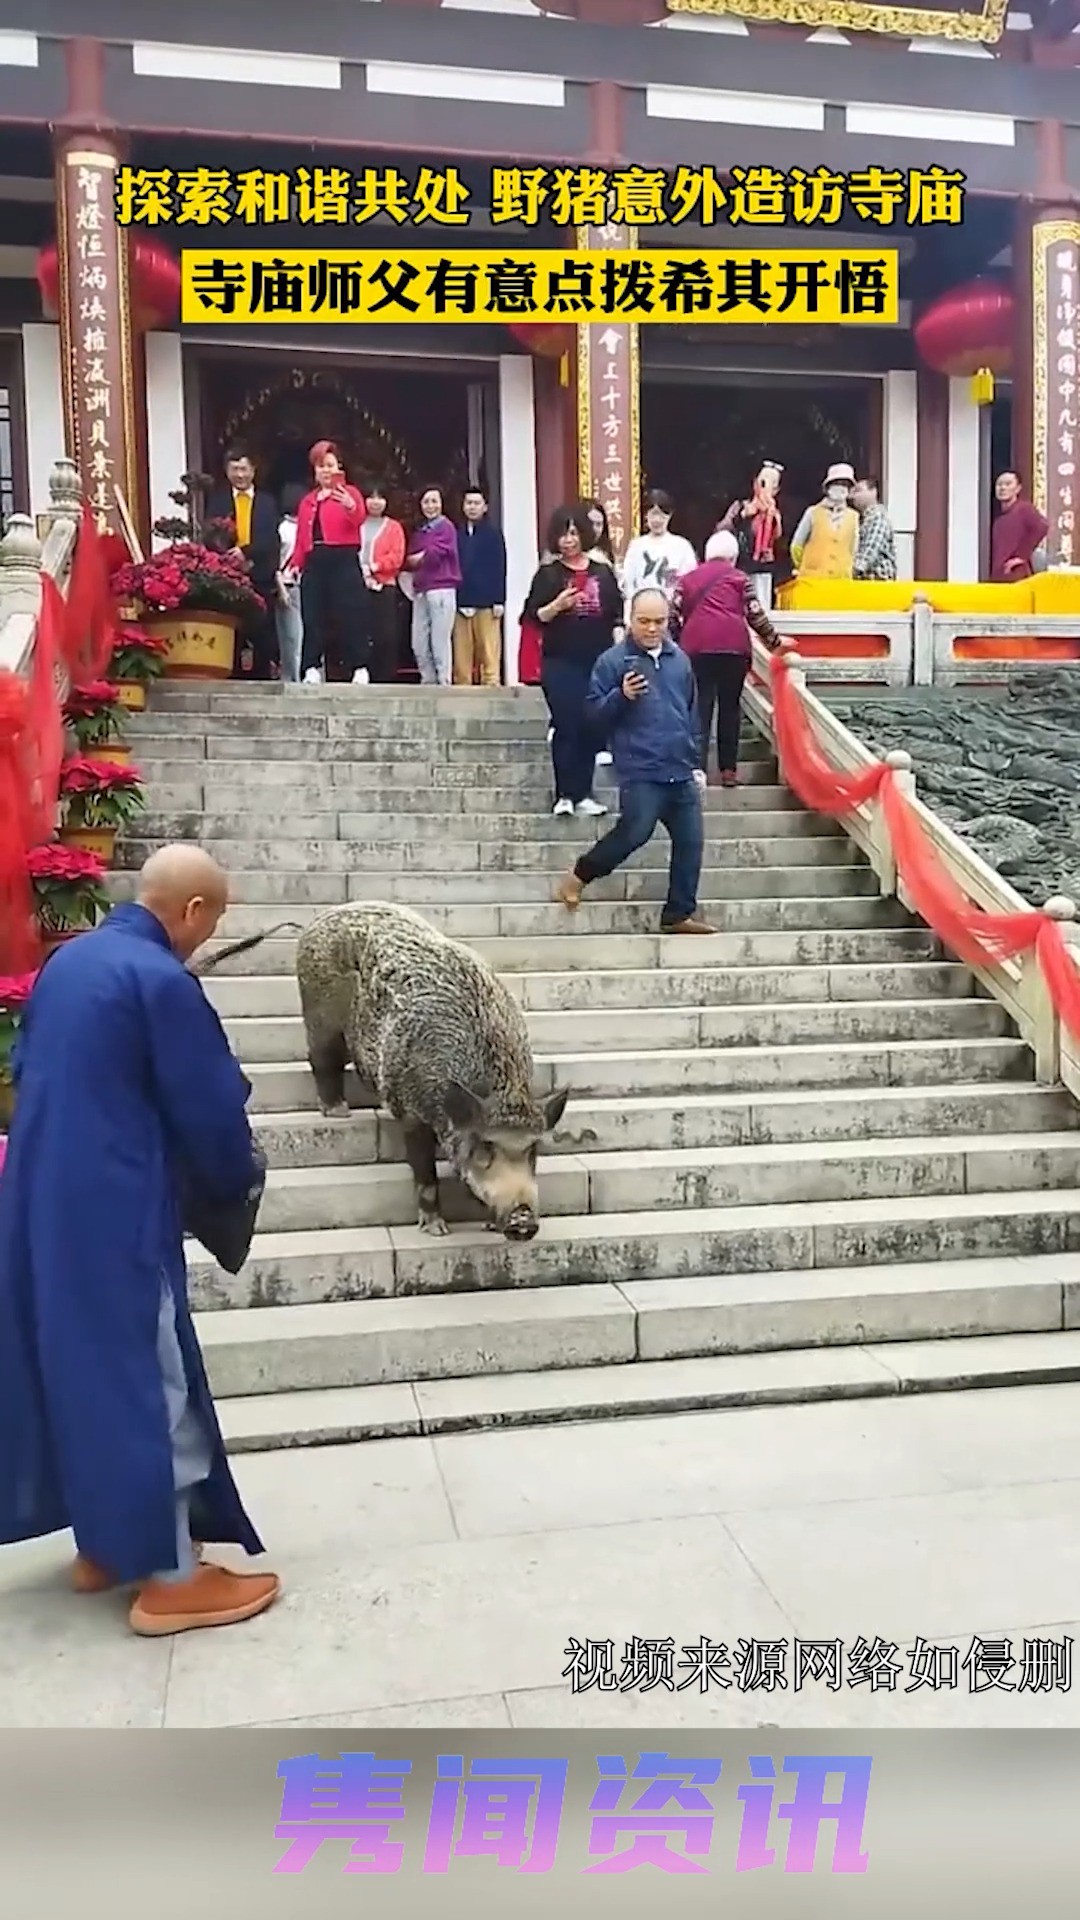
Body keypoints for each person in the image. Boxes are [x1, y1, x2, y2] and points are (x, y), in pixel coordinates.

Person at [0, 846, 281, 1637]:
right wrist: (234, 1184)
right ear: (193, 910)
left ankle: (106, 1548)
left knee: (74, 1368)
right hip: (116, 1209)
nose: (205, 937)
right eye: (212, 922)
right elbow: (211, 1109)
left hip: (38, 1198)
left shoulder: (69, 963)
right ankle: (169, 1577)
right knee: (146, 1379)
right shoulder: (161, 981)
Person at [555, 587, 714, 935]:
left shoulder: (680, 660)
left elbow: (693, 713)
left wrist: (698, 761)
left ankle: (678, 913)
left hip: (680, 768)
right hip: (640, 768)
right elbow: (592, 715)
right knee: (634, 833)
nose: (652, 628)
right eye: (644, 621)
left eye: (659, 621)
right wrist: (621, 697)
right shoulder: (612, 662)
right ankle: (580, 874)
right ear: (630, 620)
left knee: (691, 841)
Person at [524, 504, 622, 818]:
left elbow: (616, 614)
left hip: (598, 660)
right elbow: (532, 616)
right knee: (567, 724)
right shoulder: (549, 574)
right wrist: (557, 605)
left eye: (574, 533)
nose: (568, 540)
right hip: (560, 660)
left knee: (592, 725)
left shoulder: (602, 572)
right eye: (563, 534)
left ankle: (584, 793)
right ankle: (565, 793)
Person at [673, 529, 782, 787]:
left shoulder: (687, 580)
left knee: (700, 708)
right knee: (730, 709)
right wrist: (774, 642)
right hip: (734, 649)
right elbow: (755, 614)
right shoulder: (739, 578)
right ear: (733, 557)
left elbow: (671, 613)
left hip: (697, 648)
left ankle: (697, 767)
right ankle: (728, 770)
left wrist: (679, 640)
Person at [290, 439, 370, 686]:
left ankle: (359, 666)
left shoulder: (350, 493)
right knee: (312, 615)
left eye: (330, 465)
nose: (325, 470)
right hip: (316, 560)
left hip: (344, 558)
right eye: (320, 466)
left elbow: (358, 518)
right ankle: (311, 666)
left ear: (339, 467)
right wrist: (296, 563)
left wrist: (350, 506)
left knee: (350, 615)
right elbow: (302, 537)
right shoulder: (307, 501)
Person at [207, 448, 280, 680]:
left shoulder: (267, 502)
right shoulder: (218, 500)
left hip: (259, 571)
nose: (240, 475)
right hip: (228, 572)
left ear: (253, 470)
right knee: (232, 626)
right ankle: (232, 673)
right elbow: (210, 533)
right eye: (234, 469)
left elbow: (271, 538)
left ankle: (262, 675)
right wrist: (228, 553)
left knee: (262, 627)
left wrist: (246, 552)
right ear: (227, 471)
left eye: (244, 469)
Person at [406, 487, 461, 685]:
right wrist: (419, 558)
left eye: (434, 501)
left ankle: (443, 680)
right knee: (418, 640)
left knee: (440, 639)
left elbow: (435, 554)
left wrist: (421, 557)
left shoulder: (446, 527)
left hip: (441, 588)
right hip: (421, 589)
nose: (430, 506)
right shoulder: (420, 532)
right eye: (426, 502)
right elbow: (410, 558)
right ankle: (427, 679)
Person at [454, 485, 507, 686]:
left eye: (476, 503)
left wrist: (499, 600)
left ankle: (492, 692)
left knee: (489, 654)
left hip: (487, 603)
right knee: (462, 656)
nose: (472, 507)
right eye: (469, 503)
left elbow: (500, 567)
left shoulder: (493, 534)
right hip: (461, 602)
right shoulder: (456, 533)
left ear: (485, 507)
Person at [620, 488, 698, 615]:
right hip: (641, 609)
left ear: (670, 515)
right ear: (646, 515)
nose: (657, 520)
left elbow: (690, 580)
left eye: (662, 515)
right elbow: (628, 582)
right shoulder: (636, 545)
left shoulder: (682, 546)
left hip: (671, 612)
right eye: (653, 514)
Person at [717, 461, 784, 609]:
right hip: (739, 568)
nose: (767, 487)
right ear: (755, 484)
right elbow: (720, 531)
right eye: (763, 482)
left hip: (762, 572)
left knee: (760, 607)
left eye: (773, 484)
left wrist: (774, 521)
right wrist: (743, 515)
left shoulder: (774, 514)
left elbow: (779, 542)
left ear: (776, 489)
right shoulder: (740, 506)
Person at [360, 481, 407, 684]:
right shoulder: (356, 525)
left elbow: (397, 557)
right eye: (371, 496)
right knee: (361, 631)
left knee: (386, 634)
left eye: (380, 497)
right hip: (358, 586)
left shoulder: (394, 527)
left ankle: (385, 678)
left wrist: (375, 567)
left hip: (384, 585)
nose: (375, 502)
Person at [789, 463, 860, 580]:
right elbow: (796, 546)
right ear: (828, 488)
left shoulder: (854, 516)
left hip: (841, 581)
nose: (841, 488)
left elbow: (853, 550)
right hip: (812, 580)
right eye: (836, 483)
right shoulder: (812, 512)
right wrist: (806, 566)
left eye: (845, 485)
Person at [989, 471, 1049, 582]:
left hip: (1016, 574)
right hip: (999, 576)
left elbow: (1042, 526)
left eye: (1008, 484)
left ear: (1018, 488)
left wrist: (1021, 556)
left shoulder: (1024, 509)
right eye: (999, 484)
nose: (1002, 488)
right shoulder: (998, 518)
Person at [274, 482, 304, 684]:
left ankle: (298, 676)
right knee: (293, 635)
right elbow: (275, 561)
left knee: (297, 635)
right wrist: (281, 588)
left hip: (298, 585)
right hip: (289, 585)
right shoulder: (283, 529)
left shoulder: (306, 527)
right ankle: (294, 678)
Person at [852, 476, 898, 581]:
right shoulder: (862, 518)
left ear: (873, 492)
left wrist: (851, 572)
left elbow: (870, 550)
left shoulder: (877, 516)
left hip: (877, 580)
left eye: (858, 491)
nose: (853, 496)